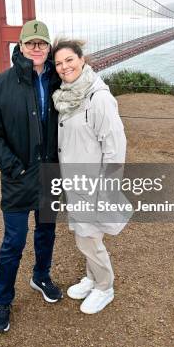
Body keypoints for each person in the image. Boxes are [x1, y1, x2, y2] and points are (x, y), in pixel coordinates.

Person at [0, 20, 63, 333]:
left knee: (46, 234)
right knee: (14, 241)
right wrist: (14, 167)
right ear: (21, 45)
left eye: (42, 43)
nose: (37, 48)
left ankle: (41, 276)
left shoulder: (62, 80)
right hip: (19, 176)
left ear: (48, 47)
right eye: (31, 43)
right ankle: (2, 300)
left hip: (51, 172)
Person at [52, 39, 127, 314]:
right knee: (88, 235)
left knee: (87, 238)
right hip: (75, 180)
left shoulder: (99, 98)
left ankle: (105, 287)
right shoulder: (67, 95)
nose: (64, 67)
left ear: (82, 59)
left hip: (94, 183)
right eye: (59, 63)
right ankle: (93, 278)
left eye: (69, 60)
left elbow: (115, 146)